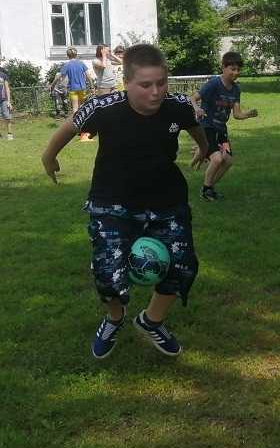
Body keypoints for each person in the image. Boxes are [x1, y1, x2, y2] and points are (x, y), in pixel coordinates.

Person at [41, 44, 209, 360]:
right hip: (112, 200)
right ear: (127, 82)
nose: (155, 92)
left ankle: (151, 320)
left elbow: (195, 126)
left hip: (167, 199)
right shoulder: (103, 108)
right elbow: (69, 127)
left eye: (161, 83)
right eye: (145, 85)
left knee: (183, 265)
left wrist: (203, 147)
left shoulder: (177, 106)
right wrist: (49, 157)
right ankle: (115, 318)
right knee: (107, 272)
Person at [190, 51, 258, 202]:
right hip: (207, 127)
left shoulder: (236, 89)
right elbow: (193, 98)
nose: (236, 72)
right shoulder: (214, 84)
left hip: (221, 131)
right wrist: (197, 109)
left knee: (228, 161)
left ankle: (208, 187)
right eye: (232, 69)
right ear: (223, 68)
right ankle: (206, 189)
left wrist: (248, 114)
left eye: (238, 69)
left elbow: (237, 114)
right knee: (217, 159)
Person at [50, 47, 95, 139]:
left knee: (75, 109)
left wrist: (52, 85)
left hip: (73, 89)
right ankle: (85, 129)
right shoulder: (81, 63)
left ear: (68, 55)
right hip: (82, 89)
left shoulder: (67, 65)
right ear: (76, 54)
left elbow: (59, 77)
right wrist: (92, 86)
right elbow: (88, 75)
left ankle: (78, 128)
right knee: (82, 108)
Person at [0, 67, 14, 140]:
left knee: (7, 117)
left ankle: (9, 134)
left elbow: (7, 88)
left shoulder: (3, 75)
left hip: (3, 100)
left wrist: (9, 101)